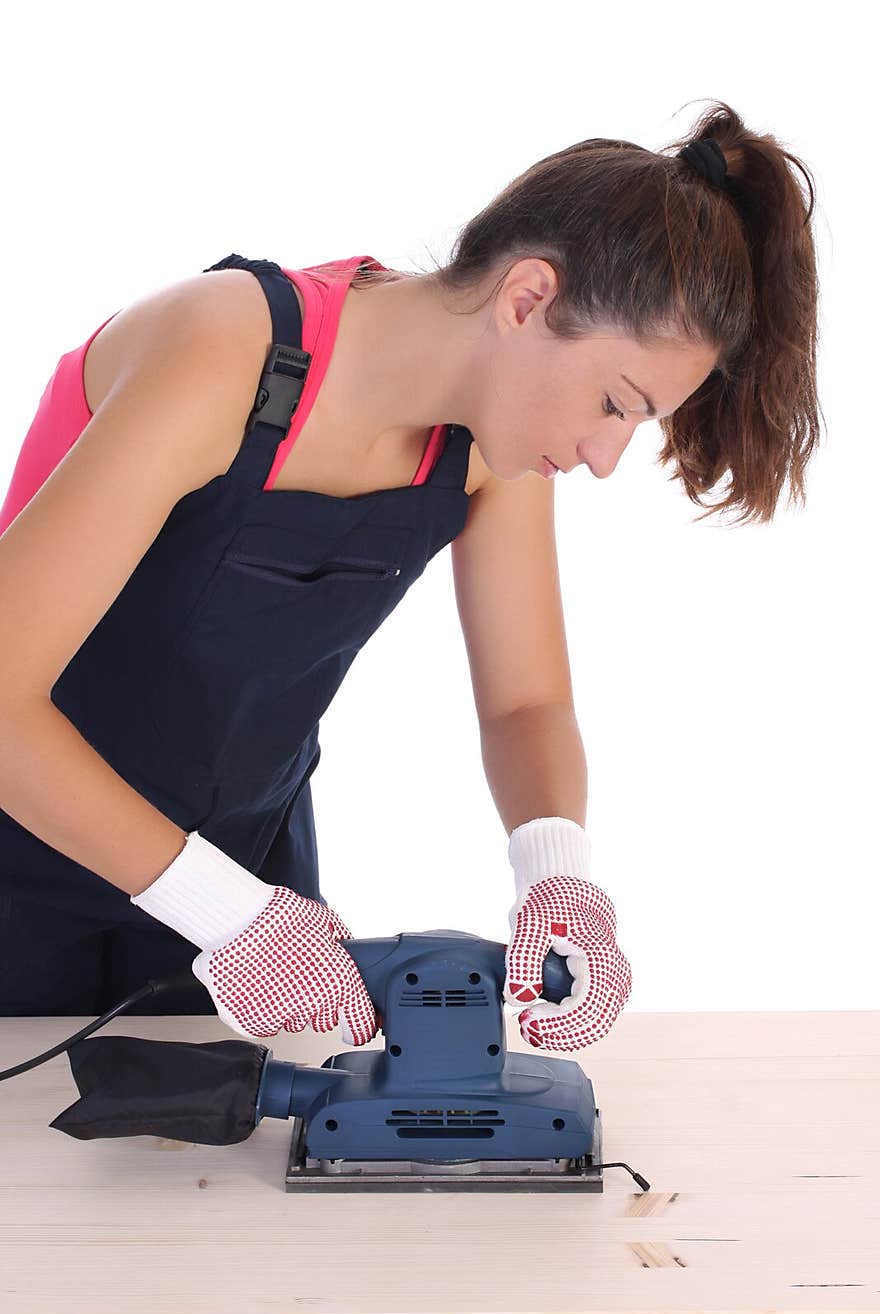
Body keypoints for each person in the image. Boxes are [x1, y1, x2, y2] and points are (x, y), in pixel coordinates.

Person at [0, 100, 821, 1052]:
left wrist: (557, 869)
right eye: (615, 403)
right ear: (528, 298)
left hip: (245, 887)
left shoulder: (487, 452)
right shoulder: (224, 352)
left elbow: (526, 706)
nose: (604, 457)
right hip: (28, 861)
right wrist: (224, 913)